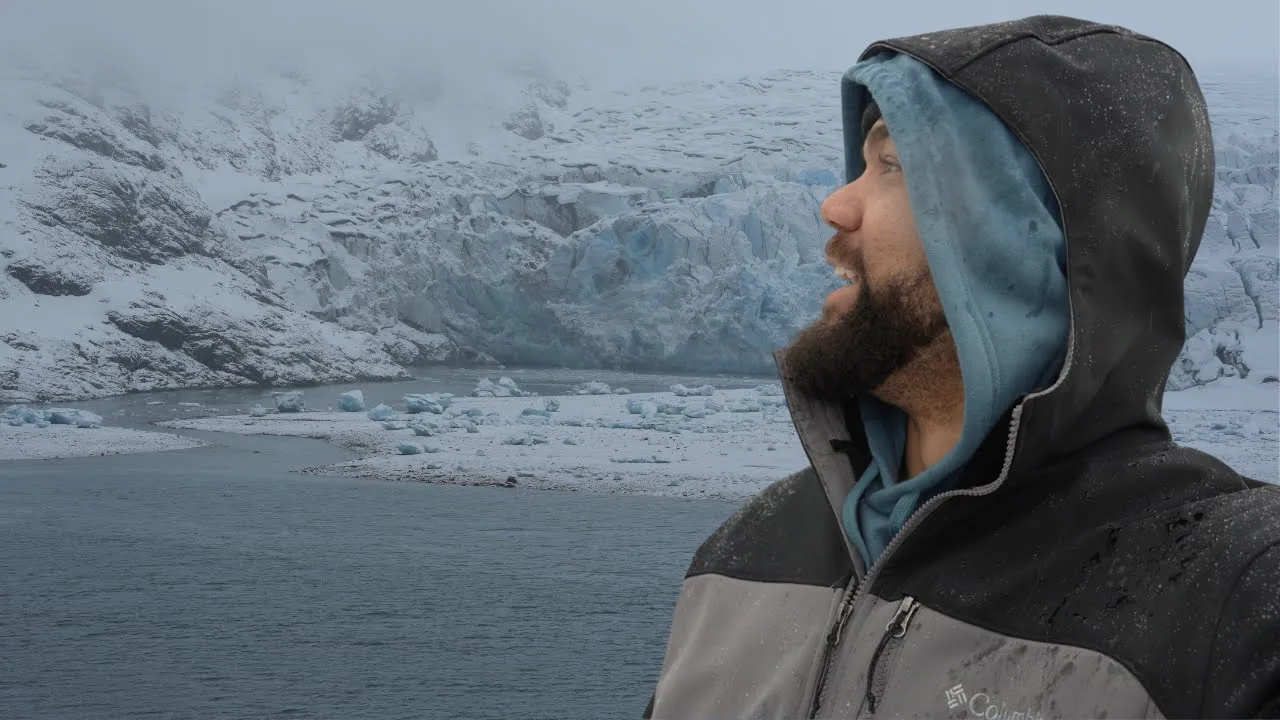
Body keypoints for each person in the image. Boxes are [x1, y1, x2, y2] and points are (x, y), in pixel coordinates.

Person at [643, 14, 1280, 720]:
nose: (835, 204)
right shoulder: (741, 555)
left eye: (892, 165)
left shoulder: (1237, 600)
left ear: (1031, 242)